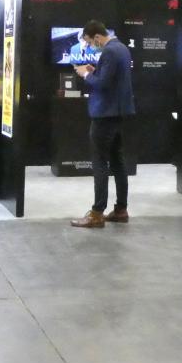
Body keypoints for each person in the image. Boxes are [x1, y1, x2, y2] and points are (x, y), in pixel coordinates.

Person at [70, 19, 135, 228]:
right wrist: (96, 70)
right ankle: (121, 209)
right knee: (117, 161)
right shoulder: (122, 48)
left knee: (100, 162)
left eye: (89, 42)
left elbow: (103, 84)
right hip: (118, 113)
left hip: (104, 114)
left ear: (97, 37)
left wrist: (86, 73)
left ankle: (97, 213)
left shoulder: (109, 51)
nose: (89, 46)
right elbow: (111, 78)